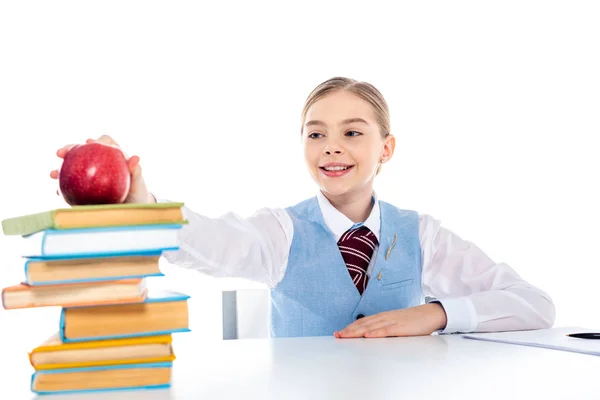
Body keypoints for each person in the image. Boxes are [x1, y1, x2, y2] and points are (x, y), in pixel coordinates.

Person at [50, 77, 555, 339]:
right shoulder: (280, 232)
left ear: (386, 149)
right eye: (316, 134)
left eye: (353, 133)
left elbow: (534, 304)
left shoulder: (422, 235)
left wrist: (438, 313)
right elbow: (203, 242)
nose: (331, 148)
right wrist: (143, 201)